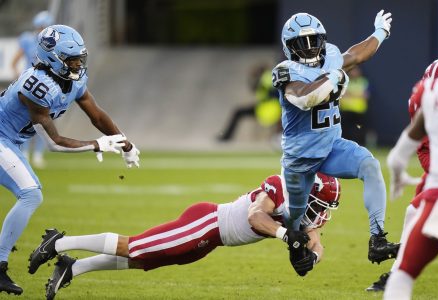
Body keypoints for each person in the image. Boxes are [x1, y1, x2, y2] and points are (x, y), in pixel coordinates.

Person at [27, 173, 340, 300]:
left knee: (146, 262)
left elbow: (315, 241)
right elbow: (256, 218)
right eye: (321, 203)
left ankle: (73, 267)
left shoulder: (307, 212)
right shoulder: (282, 185)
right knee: (134, 247)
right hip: (206, 222)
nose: (322, 211)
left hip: (214, 240)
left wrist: (311, 257)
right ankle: (59, 242)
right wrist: (287, 236)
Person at [0, 25, 141, 295]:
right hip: (1, 137)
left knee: (30, 194)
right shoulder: (38, 85)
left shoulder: (72, 79)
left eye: (79, 58)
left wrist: (126, 143)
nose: (77, 64)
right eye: (71, 59)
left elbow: (96, 115)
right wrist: (96, 144)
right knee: (31, 194)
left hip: (11, 141)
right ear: (52, 58)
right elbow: (53, 143)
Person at [271, 10, 400, 267]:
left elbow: (358, 54)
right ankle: (296, 248)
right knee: (294, 218)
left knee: (369, 165)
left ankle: (378, 239)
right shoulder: (286, 71)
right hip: (300, 157)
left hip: (332, 147)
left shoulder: (331, 57)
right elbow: (305, 99)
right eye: (301, 44)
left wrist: (380, 33)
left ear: (323, 39)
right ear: (289, 48)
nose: (309, 49)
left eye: (314, 41)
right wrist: (333, 77)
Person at [366, 59, 438, 292]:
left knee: (404, 275)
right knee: (413, 211)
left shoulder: (429, 92)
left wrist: (399, 175)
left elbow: (405, 152)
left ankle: (395, 274)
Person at [11, 11, 55, 168]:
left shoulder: (52, 44)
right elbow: (14, 62)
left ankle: (36, 155)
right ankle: (24, 154)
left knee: (42, 122)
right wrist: (19, 79)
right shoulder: (28, 39)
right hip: (29, 86)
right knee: (25, 121)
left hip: (45, 87)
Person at [217, 63, 281, 142]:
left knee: (238, 112)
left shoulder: (267, 77)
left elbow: (271, 91)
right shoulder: (268, 77)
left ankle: (226, 137)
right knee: (238, 112)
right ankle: (226, 137)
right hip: (264, 107)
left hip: (271, 108)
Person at [339, 66, 370, 145]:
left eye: (356, 71)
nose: (354, 72)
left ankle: (360, 146)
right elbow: (341, 95)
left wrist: (350, 94)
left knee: (358, 131)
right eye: (352, 71)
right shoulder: (345, 82)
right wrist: (357, 94)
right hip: (346, 111)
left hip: (359, 112)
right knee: (345, 132)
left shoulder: (363, 81)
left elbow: (366, 95)